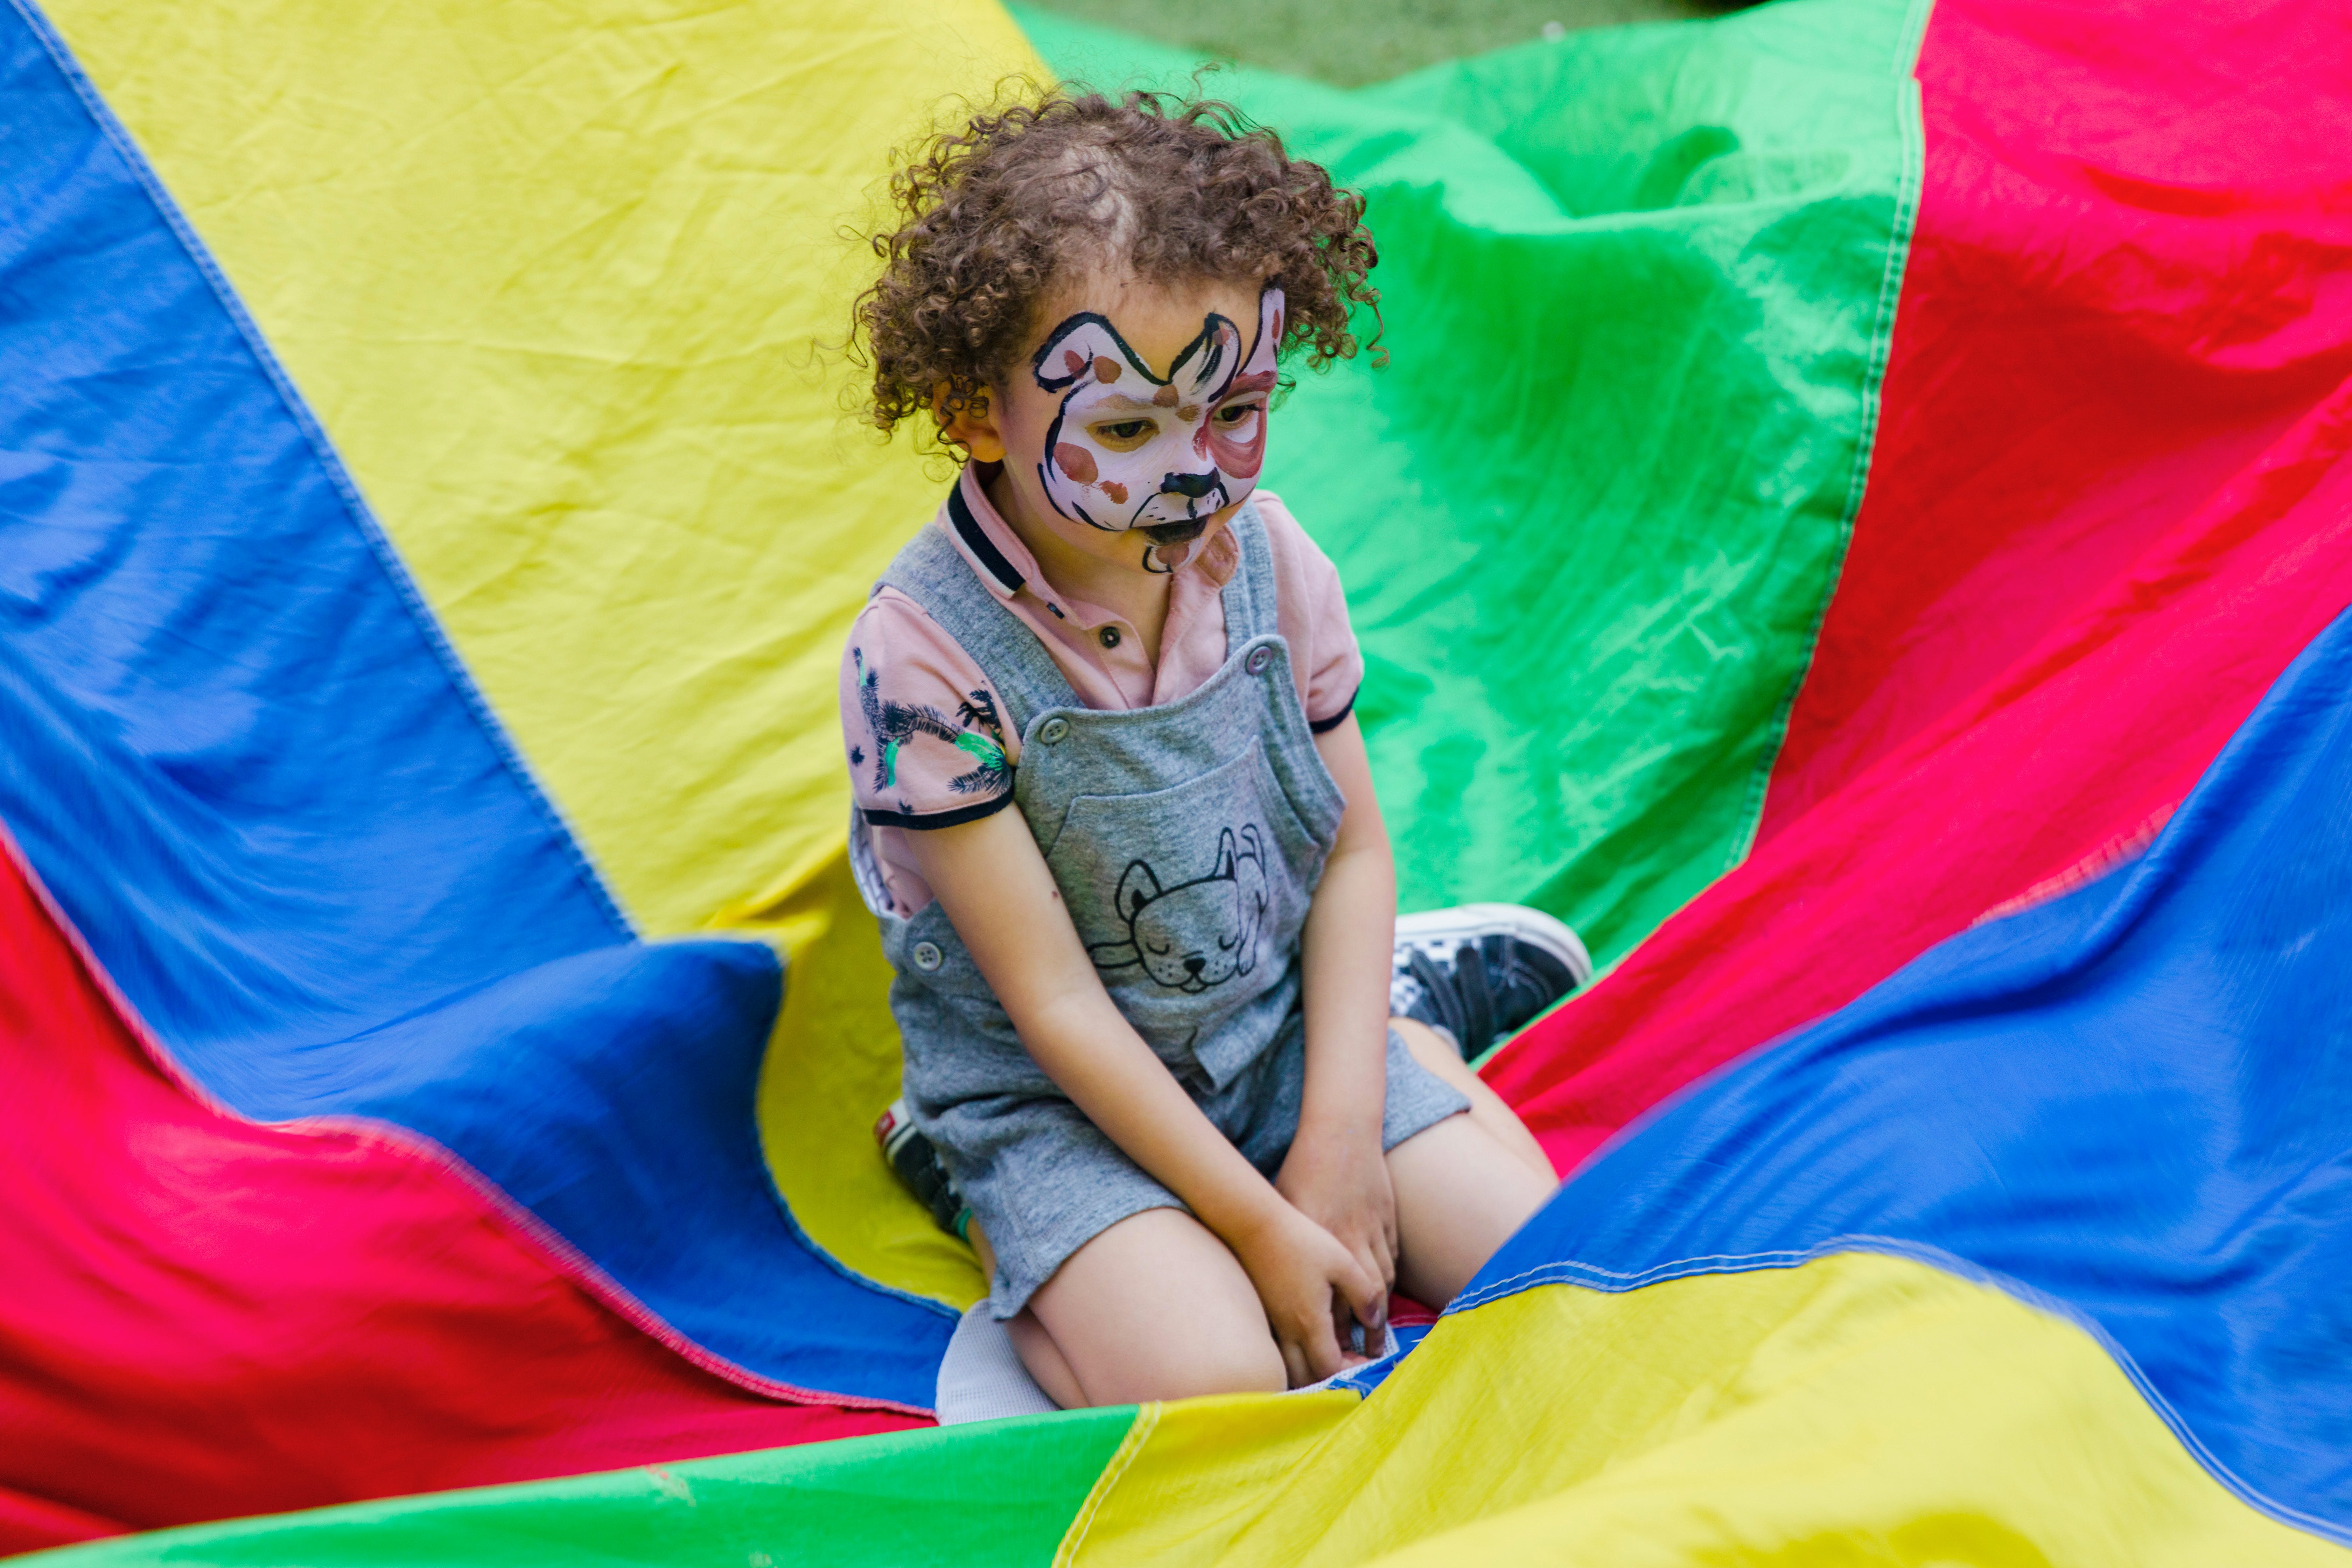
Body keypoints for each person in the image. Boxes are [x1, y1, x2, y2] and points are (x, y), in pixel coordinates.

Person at [840, 86, 1587, 1408]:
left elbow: (1353, 851)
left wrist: (1342, 1141)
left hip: (1278, 1025)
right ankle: (956, 1167)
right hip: (1059, 1098)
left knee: (1555, 1279)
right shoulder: (922, 665)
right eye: (1127, 430)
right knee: (1225, 1385)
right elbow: (1059, 1007)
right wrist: (1256, 1227)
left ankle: (1402, 1023)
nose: (1196, 477)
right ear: (973, 410)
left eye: (1232, 410)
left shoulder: (1274, 561)